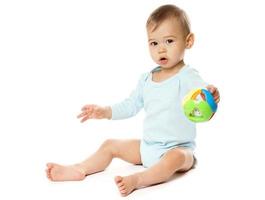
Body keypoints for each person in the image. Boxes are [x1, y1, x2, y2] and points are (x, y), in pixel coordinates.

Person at [46, 4, 220, 197]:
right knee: (110, 144)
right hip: (148, 148)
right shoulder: (146, 79)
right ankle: (79, 169)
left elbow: (203, 99)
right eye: (154, 43)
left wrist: (212, 96)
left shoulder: (187, 76)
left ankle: (138, 179)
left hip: (179, 149)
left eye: (169, 41)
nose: (161, 49)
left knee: (176, 158)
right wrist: (104, 111)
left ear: (188, 41)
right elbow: (130, 105)